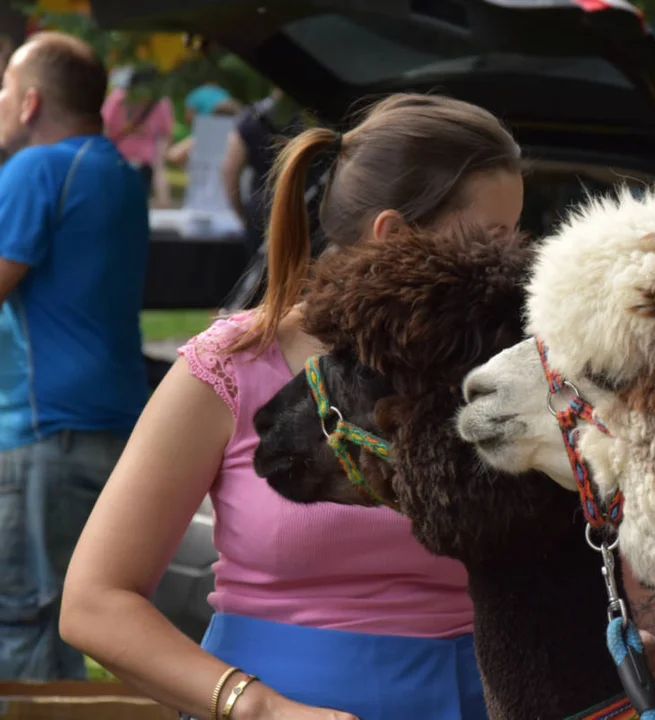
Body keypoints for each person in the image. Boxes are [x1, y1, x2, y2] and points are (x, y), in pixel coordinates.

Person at [59, 93, 517, 720]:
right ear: (395, 235)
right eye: (492, 238)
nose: (514, 261)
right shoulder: (229, 365)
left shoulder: (501, 376)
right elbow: (94, 601)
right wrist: (261, 708)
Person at [0, 31, 150, 680]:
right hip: (112, 425)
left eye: (4, 89)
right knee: (69, 617)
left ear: (30, 104)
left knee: (25, 625)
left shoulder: (37, 169)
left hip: (42, 432)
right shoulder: (118, 172)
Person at [221, 88, 306, 259]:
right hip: (306, 208)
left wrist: (241, 212)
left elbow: (229, 171)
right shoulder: (313, 117)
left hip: (263, 209)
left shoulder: (251, 117)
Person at [101, 65, 175, 206]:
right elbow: (167, 132)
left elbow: (105, 127)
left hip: (118, 160)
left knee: (115, 204)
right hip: (142, 162)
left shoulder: (118, 97)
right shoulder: (161, 102)